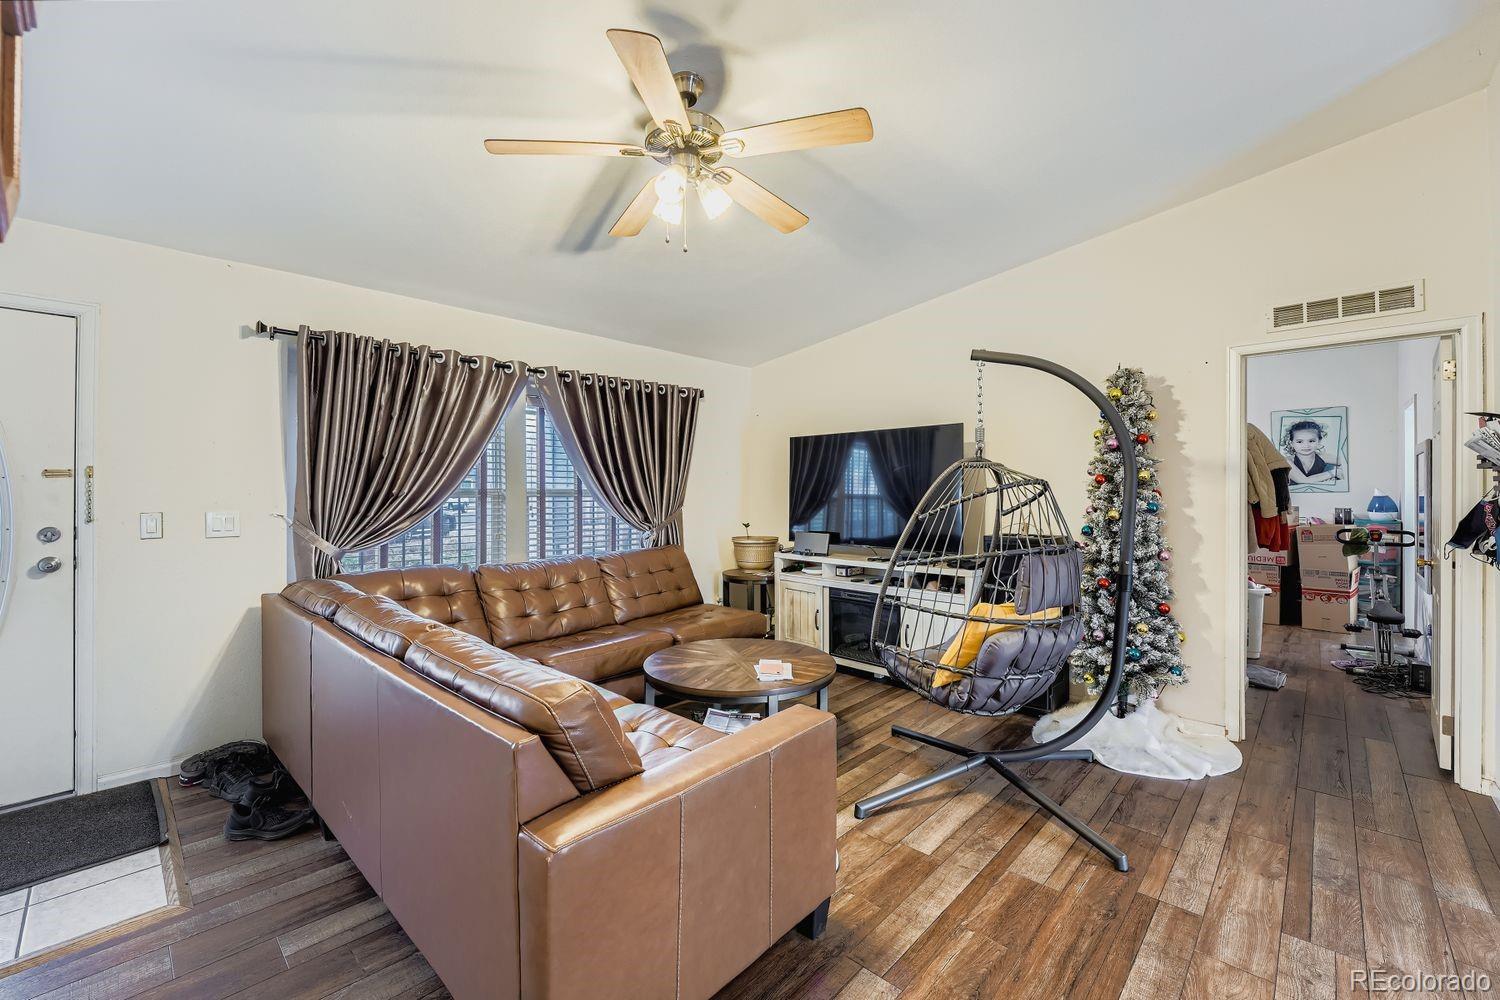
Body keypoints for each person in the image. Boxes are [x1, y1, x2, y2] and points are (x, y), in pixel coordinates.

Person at [1281, 419, 1341, 485]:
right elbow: (1303, 480)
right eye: (1299, 442)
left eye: (1311, 441)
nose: (1306, 445)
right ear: (1291, 443)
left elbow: (1348, 463)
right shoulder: (1286, 461)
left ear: (1319, 441)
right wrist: (1333, 473)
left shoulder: (1324, 457)